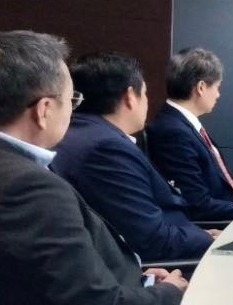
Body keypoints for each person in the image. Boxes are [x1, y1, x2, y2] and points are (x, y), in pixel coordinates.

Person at [0, 31, 185, 305]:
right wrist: (170, 293)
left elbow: (57, 283)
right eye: (72, 101)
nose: (74, 112)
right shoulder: (24, 187)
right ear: (43, 110)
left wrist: (140, 281)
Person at [53, 52, 214, 261]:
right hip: (167, 264)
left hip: (177, 239)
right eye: (145, 93)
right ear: (130, 96)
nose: (147, 101)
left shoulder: (83, 131)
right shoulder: (107, 148)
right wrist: (209, 239)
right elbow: (152, 240)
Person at [147, 47, 233, 221]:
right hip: (216, 224)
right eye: (217, 87)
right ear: (201, 87)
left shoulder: (183, 125)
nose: (218, 95)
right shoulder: (173, 132)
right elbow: (197, 204)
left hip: (230, 210)